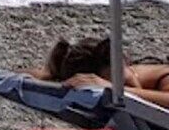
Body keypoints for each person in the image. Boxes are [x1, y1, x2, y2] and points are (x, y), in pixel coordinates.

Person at [39, 36, 169, 104]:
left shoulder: (164, 77)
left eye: (124, 83)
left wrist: (113, 89)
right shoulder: (125, 73)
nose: (126, 90)